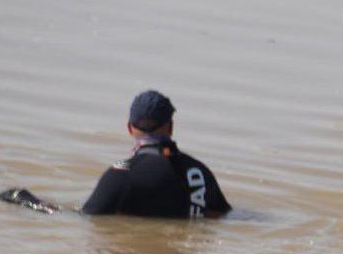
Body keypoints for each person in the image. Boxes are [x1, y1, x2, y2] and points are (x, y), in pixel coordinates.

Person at [81, 90, 231, 218]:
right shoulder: (199, 172)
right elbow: (223, 216)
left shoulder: (122, 172)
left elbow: (88, 217)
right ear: (171, 127)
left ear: (129, 128)